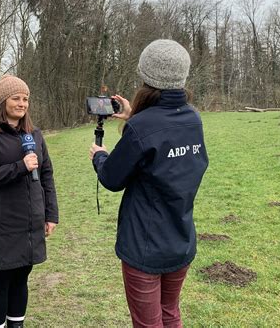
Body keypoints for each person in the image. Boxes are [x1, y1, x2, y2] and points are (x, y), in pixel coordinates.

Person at [89, 39, 208, 327]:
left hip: (145, 247)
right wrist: (135, 117)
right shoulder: (193, 119)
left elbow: (111, 178)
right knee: (170, 314)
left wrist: (99, 156)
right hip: (181, 240)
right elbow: (166, 143)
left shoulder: (142, 127)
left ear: (146, 76)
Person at [0, 75, 59, 328]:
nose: (22, 104)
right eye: (16, 98)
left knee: (21, 278)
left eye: (26, 99)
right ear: (3, 101)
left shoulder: (35, 135)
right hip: (0, 222)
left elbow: (47, 175)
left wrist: (51, 214)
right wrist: (20, 166)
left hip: (30, 220)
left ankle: (16, 325)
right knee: (0, 281)